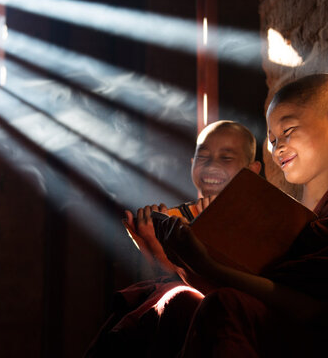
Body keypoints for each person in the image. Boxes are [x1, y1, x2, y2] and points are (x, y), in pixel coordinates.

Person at [156, 74, 328, 357]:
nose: (277, 148)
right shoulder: (281, 214)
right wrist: (181, 258)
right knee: (174, 304)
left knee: (222, 305)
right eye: (272, 139)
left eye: (288, 131)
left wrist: (206, 265)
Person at [85, 120, 262, 357]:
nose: (211, 165)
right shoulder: (181, 217)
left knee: (180, 299)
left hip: (226, 308)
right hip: (191, 299)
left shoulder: (259, 218)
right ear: (192, 164)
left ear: (253, 171)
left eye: (226, 158)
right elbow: (172, 275)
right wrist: (154, 249)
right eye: (203, 157)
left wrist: (165, 255)